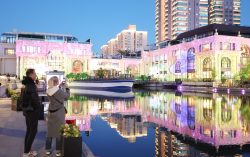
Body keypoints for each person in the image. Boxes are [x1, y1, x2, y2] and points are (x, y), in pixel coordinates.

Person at [45, 76, 70, 156]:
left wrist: (59, 87)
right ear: (56, 82)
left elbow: (55, 92)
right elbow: (67, 96)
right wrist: (67, 88)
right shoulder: (58, 91)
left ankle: (48, 150)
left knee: (50, 131)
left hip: (51, 112)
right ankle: (58, 151)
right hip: (59, 112)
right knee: (59, 131)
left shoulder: (48, 90)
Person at [22, 69, 41, 157]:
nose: (36, 75)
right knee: (33, 131)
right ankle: (26, 152)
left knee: (29, 130)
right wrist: (39, 107)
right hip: (32, 111)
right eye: (35, 74)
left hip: (28, 110)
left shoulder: (27, 84)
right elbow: (34, 99)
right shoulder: (31, 85)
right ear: (31, 74)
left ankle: (27, 150)